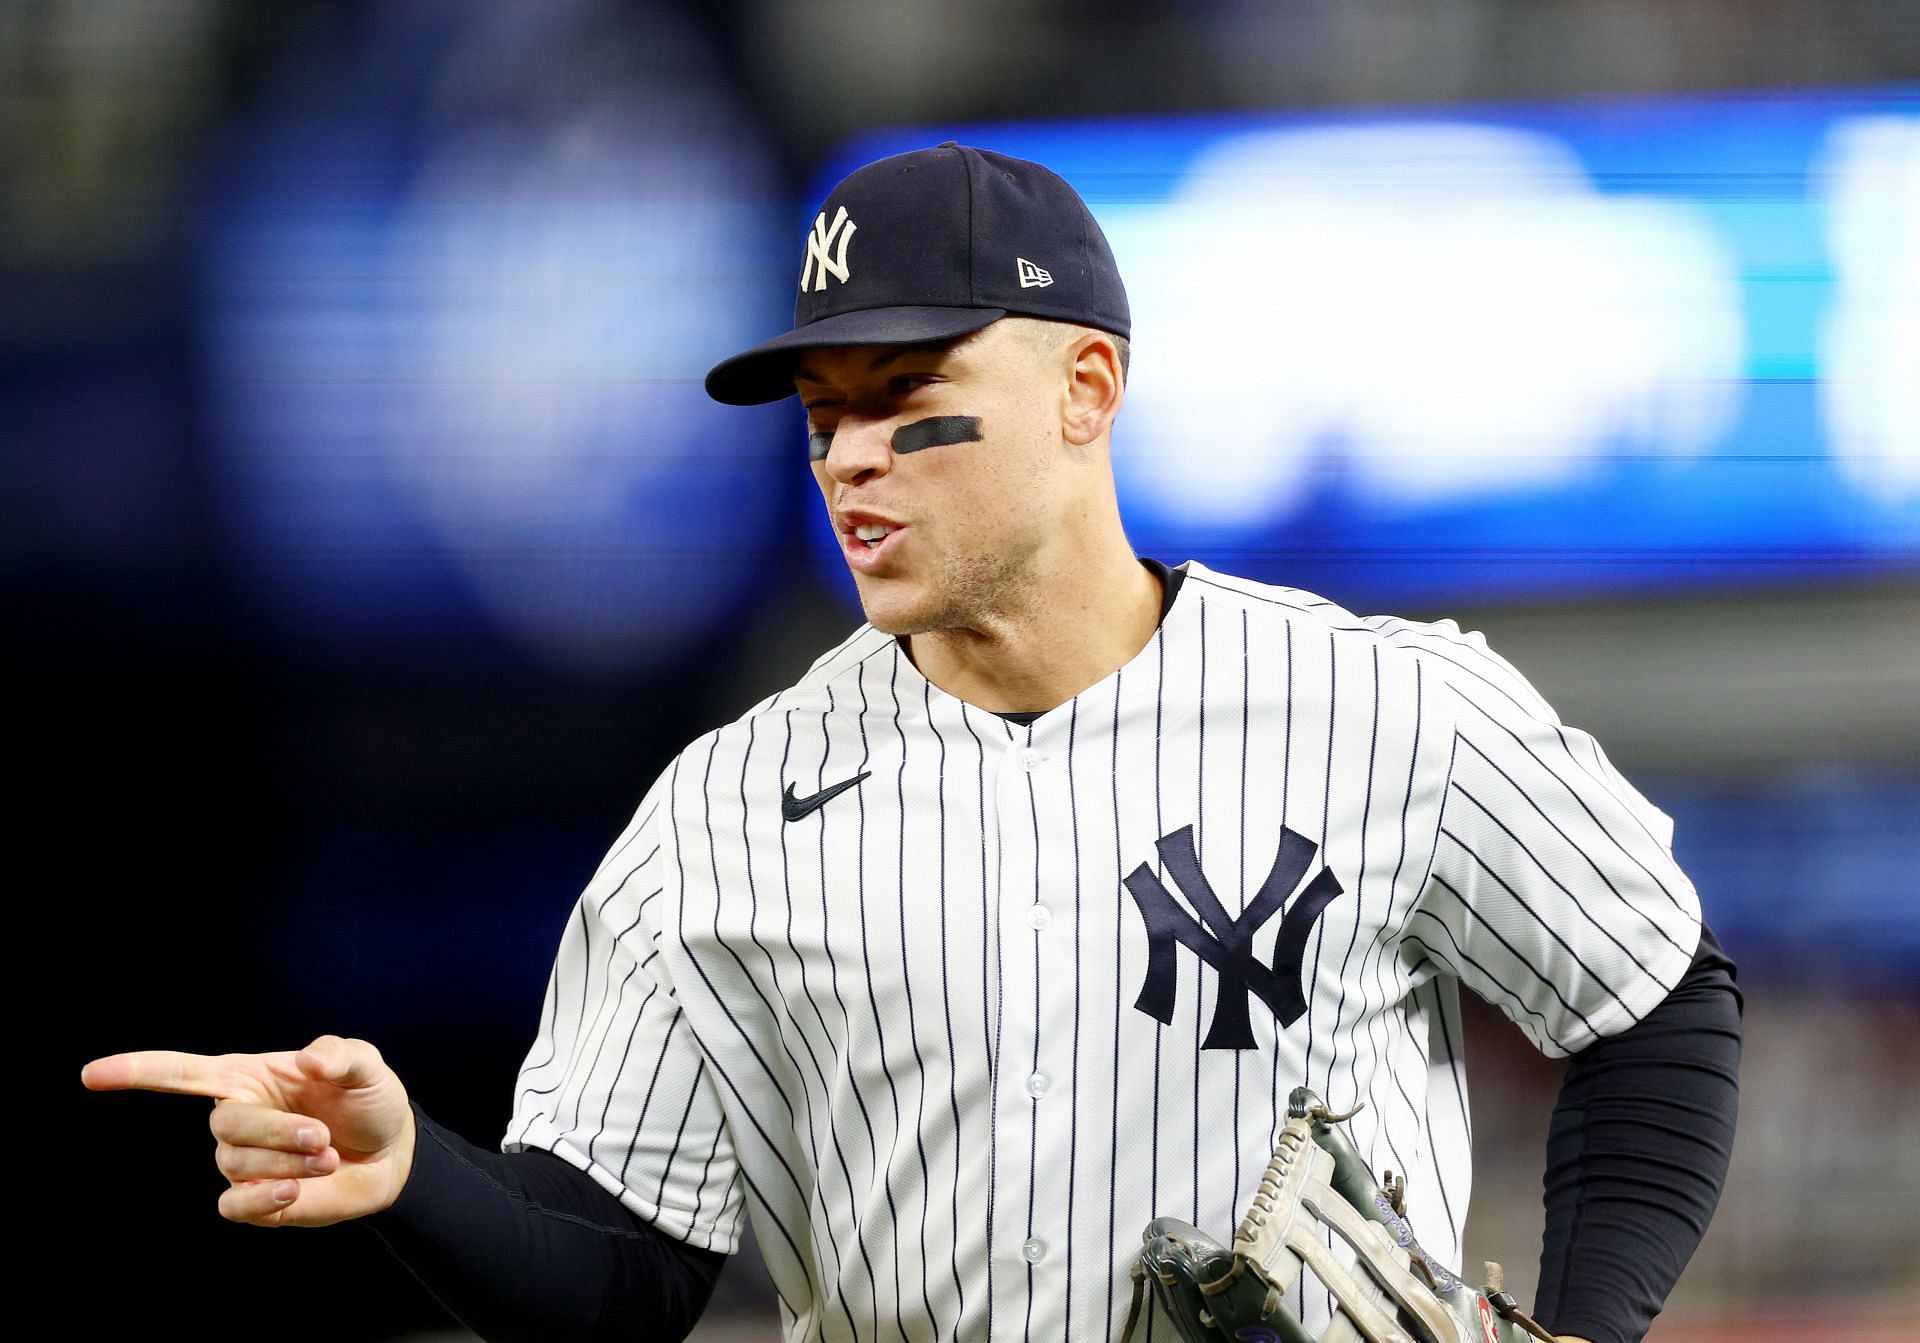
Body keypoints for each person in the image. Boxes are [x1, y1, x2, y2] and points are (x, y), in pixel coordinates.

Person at [84, 143, 1741, 1343]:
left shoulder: (1389, 708)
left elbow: (1656, 1003)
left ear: (1087, 388)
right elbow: (615, 1268)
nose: (852, 458)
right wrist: (412, 1178)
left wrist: (1586, 1336)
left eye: (906, 392)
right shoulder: (724, 816)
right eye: (824, 417)